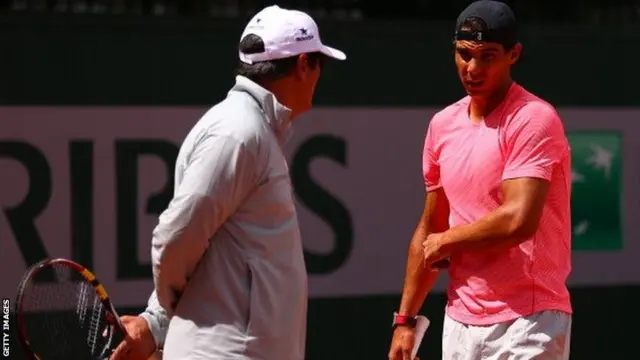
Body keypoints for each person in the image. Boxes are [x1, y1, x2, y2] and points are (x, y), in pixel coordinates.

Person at [109, 5, 346, 360]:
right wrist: (164, 319)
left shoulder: (252, 130)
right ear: (302, 66)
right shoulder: (238, 132)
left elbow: (195, 243)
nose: (319, 76)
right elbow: (176, 236)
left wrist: (157, 322)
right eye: (320, 64)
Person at [388, 1, 572, 359]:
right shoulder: (442, 125)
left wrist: (449, 240)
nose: (472, 68)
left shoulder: (534, 119)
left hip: (529, 321)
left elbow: (519, 219)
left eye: (488, 56)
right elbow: (431, 225)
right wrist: (405, 320)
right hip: (460, 323)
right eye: (464, 54)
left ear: (513, 55)